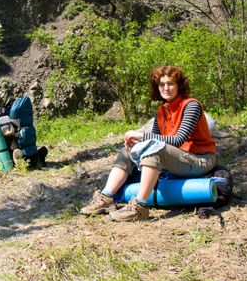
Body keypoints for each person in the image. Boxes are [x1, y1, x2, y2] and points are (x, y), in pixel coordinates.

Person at [80, 65, 217, 221]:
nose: (166, 88)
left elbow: (178, 140)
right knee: (127, 151)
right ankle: (106, 198)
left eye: (170, 84)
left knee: (153, 150)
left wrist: (140, 135)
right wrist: (136, 142)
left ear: (179, 85)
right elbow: (155, 139)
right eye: (161, 84)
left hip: (200, 160)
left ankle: (140, 207)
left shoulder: (191, 105)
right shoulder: (162, 110)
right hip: (178, 159)